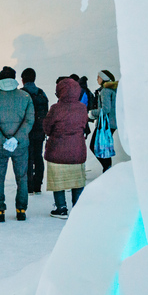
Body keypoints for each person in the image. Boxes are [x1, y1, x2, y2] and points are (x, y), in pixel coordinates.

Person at [0, 66, 35, 222]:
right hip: (20, 145)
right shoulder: (25, 96)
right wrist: (15, 139)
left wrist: (3, 140)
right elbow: (29, 120)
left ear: (0, 79)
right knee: (22, 177)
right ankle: (21, 210)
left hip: (0, 146)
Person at [44, 77, 89, 219]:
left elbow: (47, 127)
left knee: (58, 180)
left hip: (57, 150)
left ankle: (61, 208)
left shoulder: (56, 108)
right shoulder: (82, 108)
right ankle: (78, 207)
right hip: (77, 149)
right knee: (77, 180)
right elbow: (83, 125)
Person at [20, 68, 49, 195]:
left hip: (26, 131)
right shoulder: (42, 93)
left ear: (22, 80)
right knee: (38, 156)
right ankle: (38, 185)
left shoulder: (21, 94)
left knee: (27, 158)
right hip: (40, 131)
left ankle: (28, 185)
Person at [89, 70, 118, 172]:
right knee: (104, 148)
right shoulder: (113, 89)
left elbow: (106, 109)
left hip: (105, 124)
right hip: (112, 123)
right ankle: (107, 169)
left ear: (103, 78)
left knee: (94, 146)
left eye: (98, 77)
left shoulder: (105, 91)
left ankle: (107, 169)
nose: (97, 79)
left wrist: (92, 113)